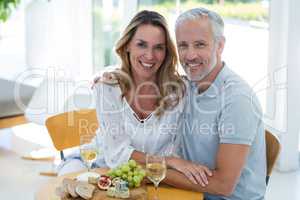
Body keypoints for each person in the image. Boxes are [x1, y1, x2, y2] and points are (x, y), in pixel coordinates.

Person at [58, 10, 191, 175]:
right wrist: (169, 161)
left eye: (158, 47)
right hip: (97, 167)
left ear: (166, 52)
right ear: (127, 45)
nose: (150, 55)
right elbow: (117, 155)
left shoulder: (179, 90)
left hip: (151, 177)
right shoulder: (108, 86)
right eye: (141, 44)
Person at [163, 8, 267, 200]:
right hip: (195, 194)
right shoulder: (190, 84)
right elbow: (145, 75)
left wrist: (155, 171)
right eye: (183, 46)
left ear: (220, 46)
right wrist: (112, 77)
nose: (190, 55)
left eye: (200, 45)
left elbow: (223, 185)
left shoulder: (237, 99)